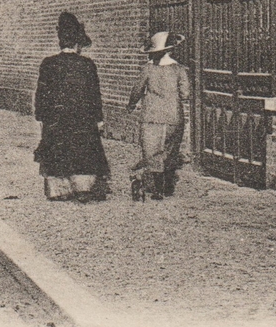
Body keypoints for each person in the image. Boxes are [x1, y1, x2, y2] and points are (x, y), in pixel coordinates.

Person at [32, 12, 111, 202]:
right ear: (77, 44)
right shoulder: (87, 65)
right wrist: (98, 119)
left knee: (57, 149)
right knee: (83, 149)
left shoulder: (48, 64)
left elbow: (41, 95)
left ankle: (60, 189)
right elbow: (94, 96)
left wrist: (41, 117)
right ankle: (83, 187)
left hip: (56, 118)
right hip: (82, 119)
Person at [127, 30, 191, 201]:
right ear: (171, 50)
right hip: (173, 117)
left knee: (152, 151)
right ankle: (166, 186)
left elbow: (137, 90)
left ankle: (157, 190)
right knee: (169, 151)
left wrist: (131, 105)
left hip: (151, 117)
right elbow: (185, 94)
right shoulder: (180, 69)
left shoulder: (147, 69)